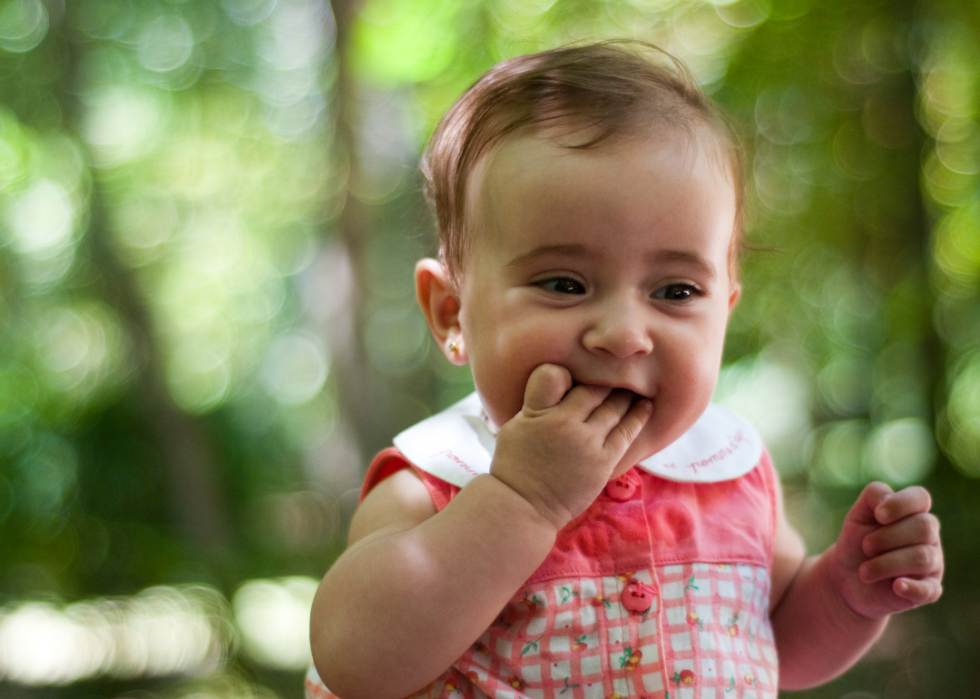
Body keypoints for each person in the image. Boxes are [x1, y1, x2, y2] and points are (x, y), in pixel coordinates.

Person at [307, 42, 944, 699]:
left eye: (674, 292)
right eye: (563, 282)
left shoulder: (729, 474)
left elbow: (770, 643)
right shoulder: (437, 481)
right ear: (452, 313)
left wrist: (847, 592)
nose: (622, 335)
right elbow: (356, 662)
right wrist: (523, 499)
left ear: (724, 311)